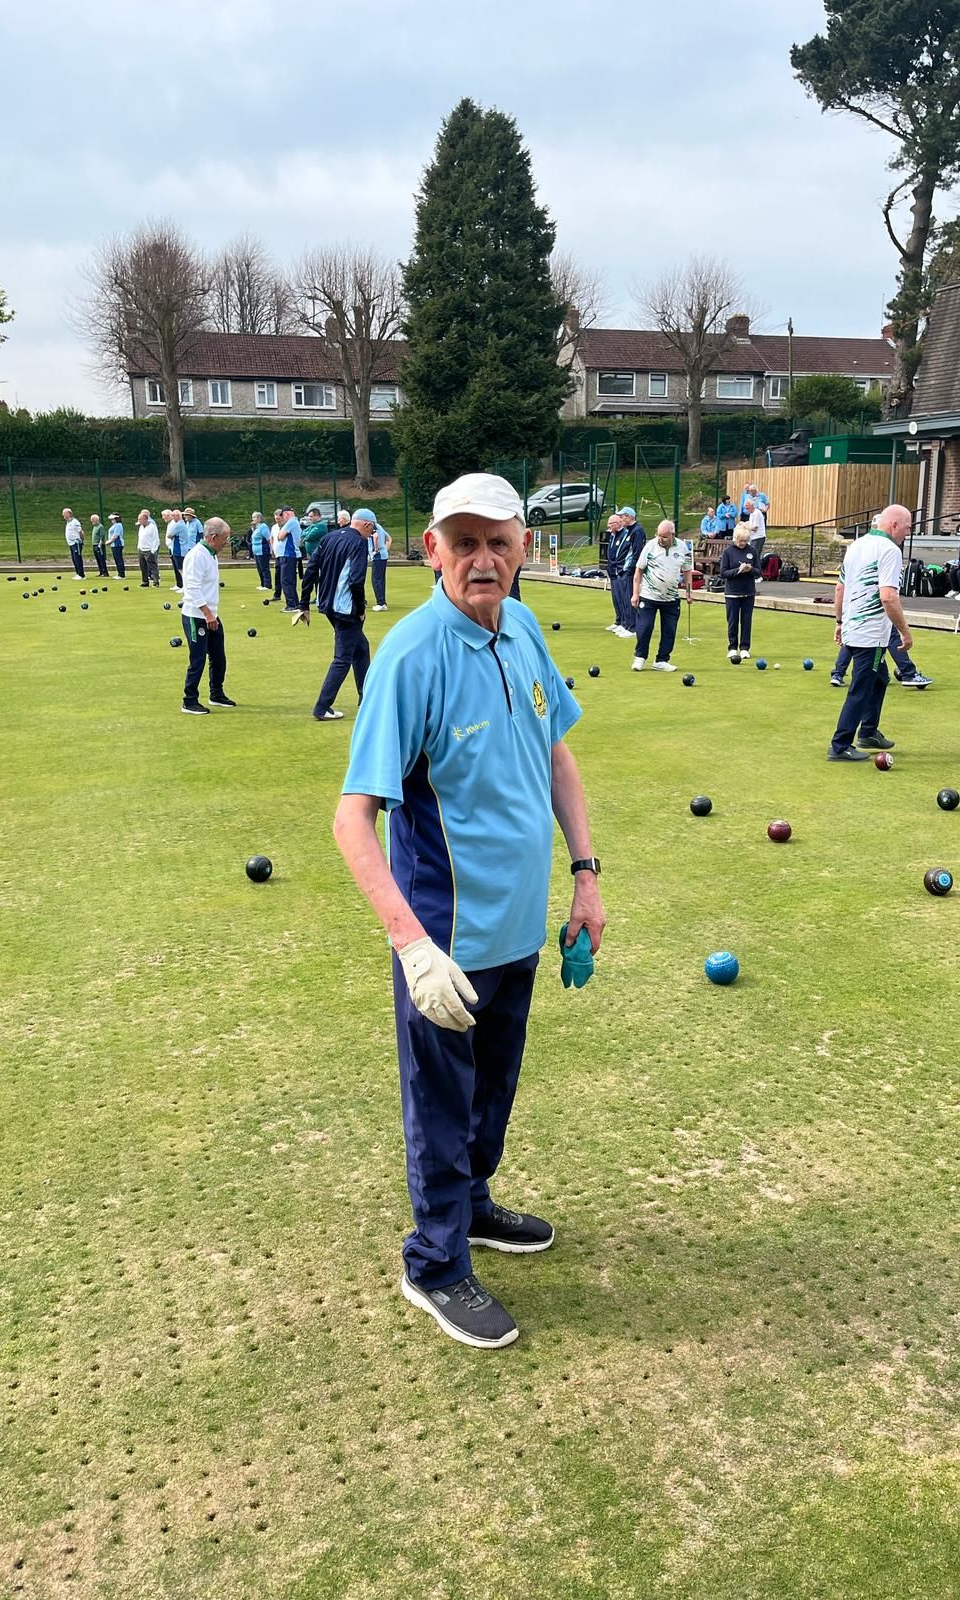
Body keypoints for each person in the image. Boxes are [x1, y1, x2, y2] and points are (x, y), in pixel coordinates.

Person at [333, 471, 605, 1350]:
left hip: (519, 925)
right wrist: (410, 946)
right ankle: (436, 1262)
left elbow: (556, 754)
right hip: (445, 939)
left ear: (524, 547)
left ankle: (474, 1205)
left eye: (498, 542)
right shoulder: (411, 657)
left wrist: (586, 875)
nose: (482, 560)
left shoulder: (522, 627)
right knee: (442, 1102)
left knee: (494, 1088)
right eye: (464, 543)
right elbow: (352, 819)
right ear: (432, 550)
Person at [828, 503, 912, 762]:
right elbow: (888, 596)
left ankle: (868, 732)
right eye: (907, 528)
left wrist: (839, 621)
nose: (908, 533)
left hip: (853, 627)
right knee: (861, 687)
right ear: (894, 525)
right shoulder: (890, 550)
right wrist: (905, 631)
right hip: (871, 634)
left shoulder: (856, 545)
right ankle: (840, 745)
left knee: (880, 678)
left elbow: (840, 588)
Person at [298, 510, 372, 720]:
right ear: (367, 525)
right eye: (372, 529)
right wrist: (360, 609)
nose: (371, 533)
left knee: (361, 648)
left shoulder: (329, 537)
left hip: (327, 605)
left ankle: (366, 697)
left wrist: (304, 603)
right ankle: (322, 707)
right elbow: (356, 580)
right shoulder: (359, 543)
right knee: (342, 658)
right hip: (345, 608)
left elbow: (311, 569)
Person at [179, 517, 235, 715]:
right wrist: (207, 614)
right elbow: (192, 588)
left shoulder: (211, 554)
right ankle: (189, 700)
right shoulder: (197, 555)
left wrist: (212, 614)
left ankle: (216, 693)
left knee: (219, 656)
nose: (226, 542)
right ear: (213, 537)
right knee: (198, 659)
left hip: (211, 614)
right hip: (196, 615)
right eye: (224, 538)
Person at [631, 518, 692, 673]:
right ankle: (640, 657)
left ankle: (662, 660)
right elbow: (638, 571)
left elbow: (687, 571)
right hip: (649, 595)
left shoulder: (682, 547)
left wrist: (688, 592)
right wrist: (635, 593)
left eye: (664, 536)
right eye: (658, 535)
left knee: (669, 630)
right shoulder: (650, 546)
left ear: (672, 535)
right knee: (645, 627)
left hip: (671, 598)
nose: (660, 539)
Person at [830, 626, 932, 690]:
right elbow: (887, 599)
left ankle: (838, 674)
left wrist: (839, 622)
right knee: (891, 635)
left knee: (852, 637)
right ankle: (909, 673)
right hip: (876, 610)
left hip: (855, 610)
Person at [719, 522, 757, 661]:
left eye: (745, 541)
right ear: (735, 539)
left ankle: (745, 648)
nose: (743, 543)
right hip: (732, 592)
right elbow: (723, 573)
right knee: (732, 621)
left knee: (746, 621)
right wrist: (738, 571)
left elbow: (759, 572)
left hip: (748, 592)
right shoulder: (728, 552)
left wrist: (750, 569)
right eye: (741, 541)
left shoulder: (752, 551)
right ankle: (732, 648)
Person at [603, 513, 632, 638]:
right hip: (612, 572)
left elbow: (622, 554)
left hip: (620, 571)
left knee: (622, 599)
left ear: (618, 523)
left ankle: (625, 623)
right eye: (608, 523)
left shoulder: (624, 535)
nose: (609, 526)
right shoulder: (612, 536)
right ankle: (619, 620)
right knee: (616, 599)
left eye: (611, 523)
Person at [358, 510, 391, 611]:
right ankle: (382, 602)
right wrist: (385, 549)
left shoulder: (373, 527)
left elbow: (375, 536)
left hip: (377, 556)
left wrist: (376, 550)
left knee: (376, 580)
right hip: (383, 555)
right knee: (380, 579)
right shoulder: (379, 526)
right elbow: (389, 538)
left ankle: (381, 603)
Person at [277, 505, 302, 612]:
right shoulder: (294, 522)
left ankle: (291, 604)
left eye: (282, 515)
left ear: (286, 513)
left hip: (288, 554)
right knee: (290, 581)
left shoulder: (291, 522)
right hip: (290, 555)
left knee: (286, 581)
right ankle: (295, 603)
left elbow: (280, 536)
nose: (282, 518)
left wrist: (280, 533)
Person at [136, 509, 160, 587]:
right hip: (141, 549)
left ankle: (156, 581)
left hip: (149, 550)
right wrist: (139, 547)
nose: (139, 521)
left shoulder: (152, 527)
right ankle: (145, 582)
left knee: (152, 566)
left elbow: (156, 539)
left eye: (140, 519)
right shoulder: (141, 527)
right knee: (143, 566)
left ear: (145, 519)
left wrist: (153, 550)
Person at [742, 497, 767, 570]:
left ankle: (757, 572)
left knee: (755, 555)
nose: (746, 509)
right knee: (752, 555)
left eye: (747, 507)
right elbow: (751, 525)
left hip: (758, 537)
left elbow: (755, 528)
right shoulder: (751, 514)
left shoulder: (756, 513)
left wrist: (745, 527)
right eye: (745, 507)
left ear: (752, 506)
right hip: (753, 538)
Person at [249, 512, 271, 591]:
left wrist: (272, 549)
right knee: (259, 568)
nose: (253, 519)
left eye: (254, 517)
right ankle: (262, 584)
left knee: (264, 567)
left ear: (259, 518)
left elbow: (269, 538)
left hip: (263, 550)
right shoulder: (256, 528)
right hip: (256, 551)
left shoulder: (263, 527)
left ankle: (267, 585)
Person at [62, 507, 85, 578]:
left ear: (69, 514)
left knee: (77, 558)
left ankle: (81, 574)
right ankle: (77, 573)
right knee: (74, 559)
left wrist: (81, 540)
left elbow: (81, 532)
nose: (63, 515)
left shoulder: (75, 522)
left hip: (76, 543)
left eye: (64, 513)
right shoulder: (68, 522)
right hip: (71, 543)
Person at [270, 509, 284, 601]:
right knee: (277, 575)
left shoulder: (286, 526)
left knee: (285, 576)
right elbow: (271, 538)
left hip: (285, 554)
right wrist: (273, 548)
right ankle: (277, 595)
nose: (277, 520)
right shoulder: (274, 527)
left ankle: (289, 597)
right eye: (276, 519)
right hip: (278, 555)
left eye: (278, 518)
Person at [89, 514, 108, 578]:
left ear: (96, 520)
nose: (91, 521)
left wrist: (99, 545)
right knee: (98, 559)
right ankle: (101, 571)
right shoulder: (95, 527)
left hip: (99, 545)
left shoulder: (100, 527)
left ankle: (105, 572)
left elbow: (102, 537)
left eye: (92, 520)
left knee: (101, 558)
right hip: (94, 544)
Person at [107, 512, 125, 579]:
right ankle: (119, 573)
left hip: (117, 544)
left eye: (113, 519)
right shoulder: (114, 525)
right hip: (113, 545)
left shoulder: (118, 525)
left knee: (119, 559)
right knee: (116, 559)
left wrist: (109, 542)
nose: (111, 520)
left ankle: (121, 574)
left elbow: (116, 536)